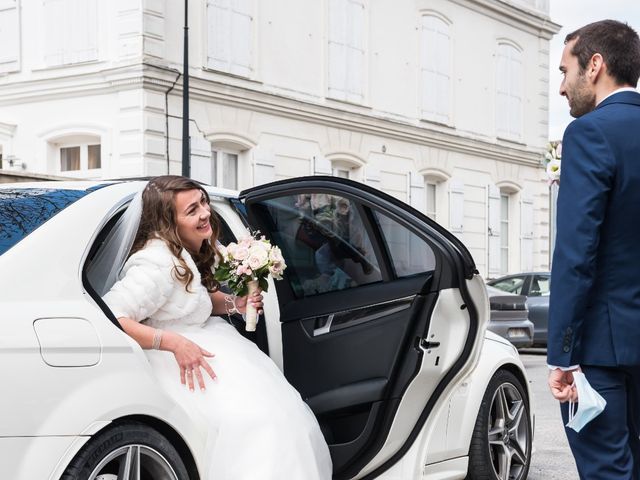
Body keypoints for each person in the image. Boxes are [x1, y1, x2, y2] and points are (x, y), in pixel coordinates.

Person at [102, 176, 332, 479]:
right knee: (258, 423)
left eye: (203, 202)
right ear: (169, 223)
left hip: (211, 344)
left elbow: (193, 300)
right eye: (192, 210)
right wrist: (172, 343)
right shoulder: (154, 263)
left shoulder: (184, 251)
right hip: (177, 361)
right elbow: (112, 317)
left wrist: (237, 304)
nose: (205, 213)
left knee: (282, 414)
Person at [547, 20, 640, 479]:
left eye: (566, 71)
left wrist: (562, 355)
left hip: (602, 354)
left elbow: (575, 254)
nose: (562, 88)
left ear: (596, 66)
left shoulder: (589, 134)